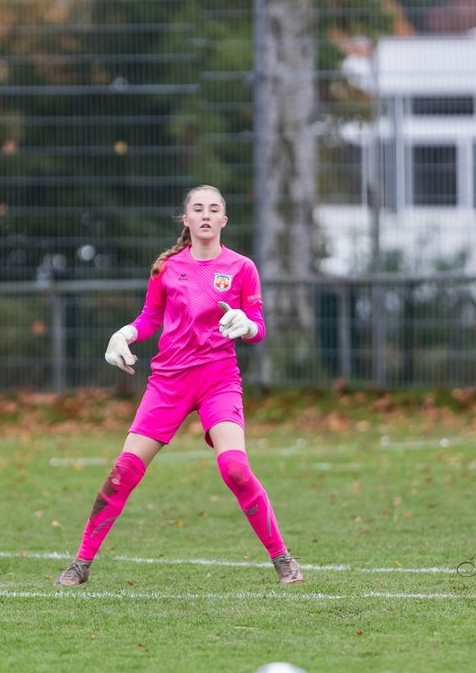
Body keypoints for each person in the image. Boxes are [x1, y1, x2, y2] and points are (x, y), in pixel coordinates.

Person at [54, 185, 304, 586]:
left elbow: (258, 329)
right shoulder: (167, 267)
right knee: (123, 472)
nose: (206, 215)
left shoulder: (242, 268)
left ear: (224, 220)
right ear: (185, 220)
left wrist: (248, 324)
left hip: (218, 380)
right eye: (197, 209)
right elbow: (150, 318)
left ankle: (283, 559)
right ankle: (80, 564)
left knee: (235, 469)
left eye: (214, 209)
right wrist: (124, 335)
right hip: (168, 382)